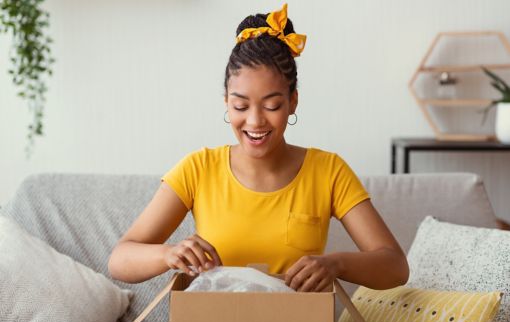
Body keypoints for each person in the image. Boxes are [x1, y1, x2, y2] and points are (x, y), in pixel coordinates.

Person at [108, 3, 409, 292]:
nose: (255, 121)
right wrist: (169, 254)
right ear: (226, 101)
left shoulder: (328, 171)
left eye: (272, 105)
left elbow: (395, 267)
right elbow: (120, 259)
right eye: (240, 105)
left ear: (293, 102)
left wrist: (337, 263)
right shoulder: (198, 169)